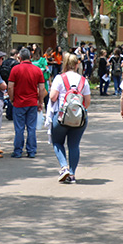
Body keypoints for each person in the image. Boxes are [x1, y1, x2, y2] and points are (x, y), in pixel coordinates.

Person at [47, 53, 91, 183]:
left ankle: (64, 167)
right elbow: (87, 102)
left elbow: (52, 97)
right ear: (77, 65)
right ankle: (72, 174)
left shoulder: (59, 78)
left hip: (61, 117)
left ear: (64, 64)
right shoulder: (83, 80)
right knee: (74, 145)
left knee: (57, 142)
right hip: (79, 119)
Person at [8, 48, 46, 158]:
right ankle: (31, 151)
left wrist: (12, 99)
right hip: (32, 102)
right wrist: (40, 102)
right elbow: (42, 88)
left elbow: (10, 87)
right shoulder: (37, 70)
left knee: (19, 128)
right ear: (30, 57)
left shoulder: (15, 69)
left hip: (19, 103)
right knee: (31, 128)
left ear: (19, 58)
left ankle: (18, 151)